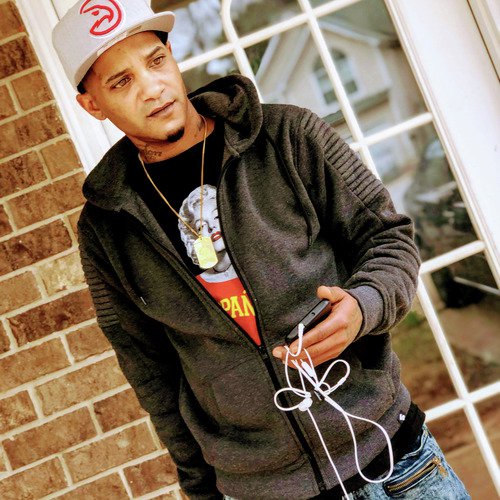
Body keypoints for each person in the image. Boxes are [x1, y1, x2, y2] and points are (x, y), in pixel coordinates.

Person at [52, 1, 469, 499]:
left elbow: (389, 239)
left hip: (398, 462)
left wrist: (364, 307)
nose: (152, 87)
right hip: (263, 489)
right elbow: (151, 372)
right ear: (92, 105)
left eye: (156, 61)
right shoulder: (106, 229)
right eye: (121, 82)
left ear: (172, 57)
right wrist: (200, 490)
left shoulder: (290, 138)